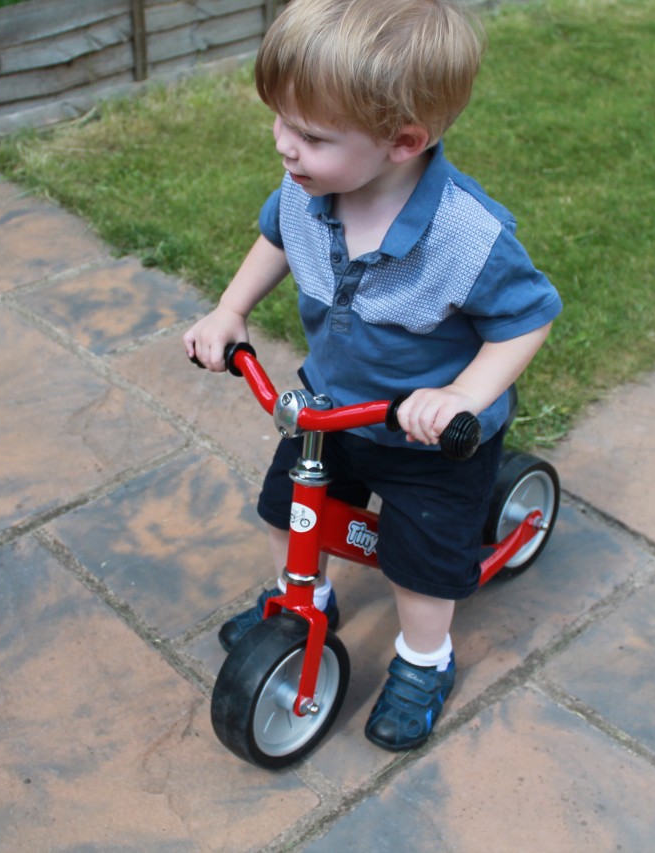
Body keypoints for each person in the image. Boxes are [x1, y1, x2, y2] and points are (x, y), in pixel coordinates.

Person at [184, 0, 561, 751]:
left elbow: (528, 318)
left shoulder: (464, 235)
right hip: (331, 411)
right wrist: (230, 311)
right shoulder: (306, 191)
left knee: (418, 564)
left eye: (312, 136)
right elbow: (275, 239)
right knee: (283, 505)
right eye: (281, 122)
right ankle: (302, 603)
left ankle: (426, 659)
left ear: (404, 141)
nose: (285, 147)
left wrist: (462, 397)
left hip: (428, 440)